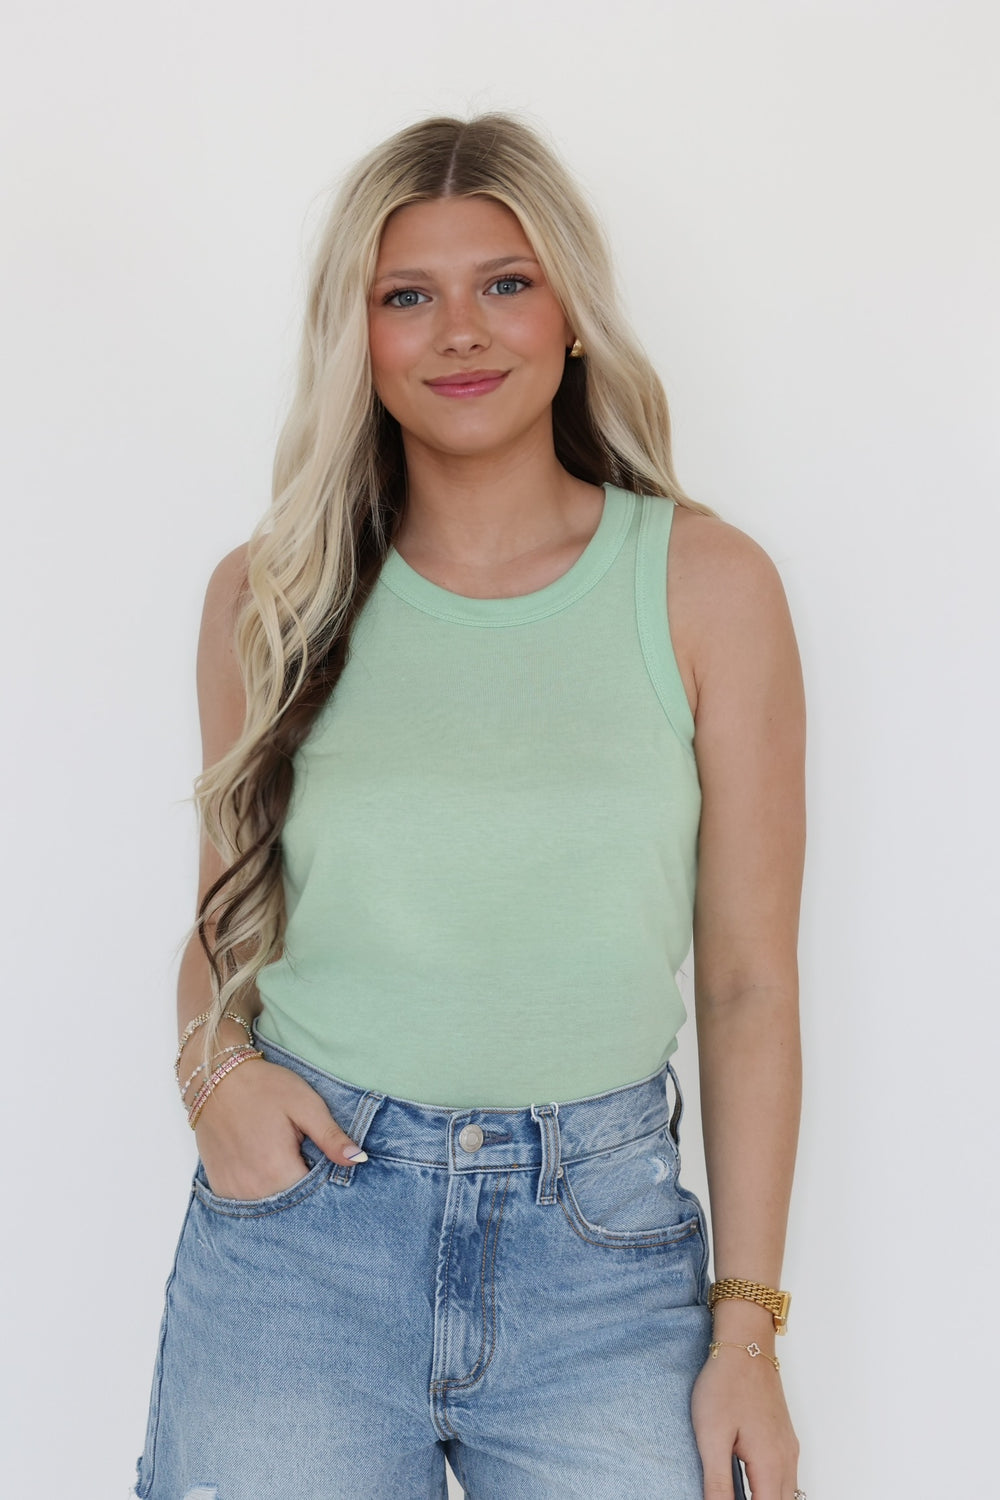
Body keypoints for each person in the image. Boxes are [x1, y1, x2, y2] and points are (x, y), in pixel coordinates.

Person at [134, 113, 805, 1500]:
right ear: (359, 339)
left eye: (506, 282)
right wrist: (213, 1084)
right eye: (407, 296)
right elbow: (225, 916)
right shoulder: (272, 596)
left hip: (603, 1256)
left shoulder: (707, 586)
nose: (460, 332)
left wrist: (747, 1332)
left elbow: (747, 983)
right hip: (305, 1237)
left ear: (572, 315)